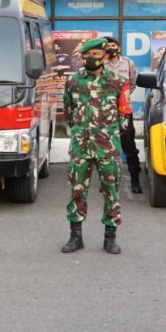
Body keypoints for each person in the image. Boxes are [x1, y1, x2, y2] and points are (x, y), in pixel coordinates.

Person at [61, 37, 131, 255]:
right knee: (77, 191)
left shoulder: (117, 82)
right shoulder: (73, 82)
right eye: (87, 55)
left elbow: (125, 114)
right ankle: (75, 237)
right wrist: (80, 132)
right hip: (81, 147)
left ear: (104, 56)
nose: (91, 59)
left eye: (96, 55)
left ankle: (110, 238)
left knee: (111, 192)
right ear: (82, 57)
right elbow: (69, 112)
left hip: (107, 148)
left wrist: (111, 136)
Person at [103, 36, 142, 194]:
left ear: (118, 48)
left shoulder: (127, 63)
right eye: (108, 46)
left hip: (124, 111)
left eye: (113, 45)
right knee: (106, 146)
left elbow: (132, 83)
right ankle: (107, 181)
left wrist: (122, 98)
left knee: (129, 145)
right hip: (105, 111)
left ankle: (135, 181)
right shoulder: (102, 64)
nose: (111, 48)